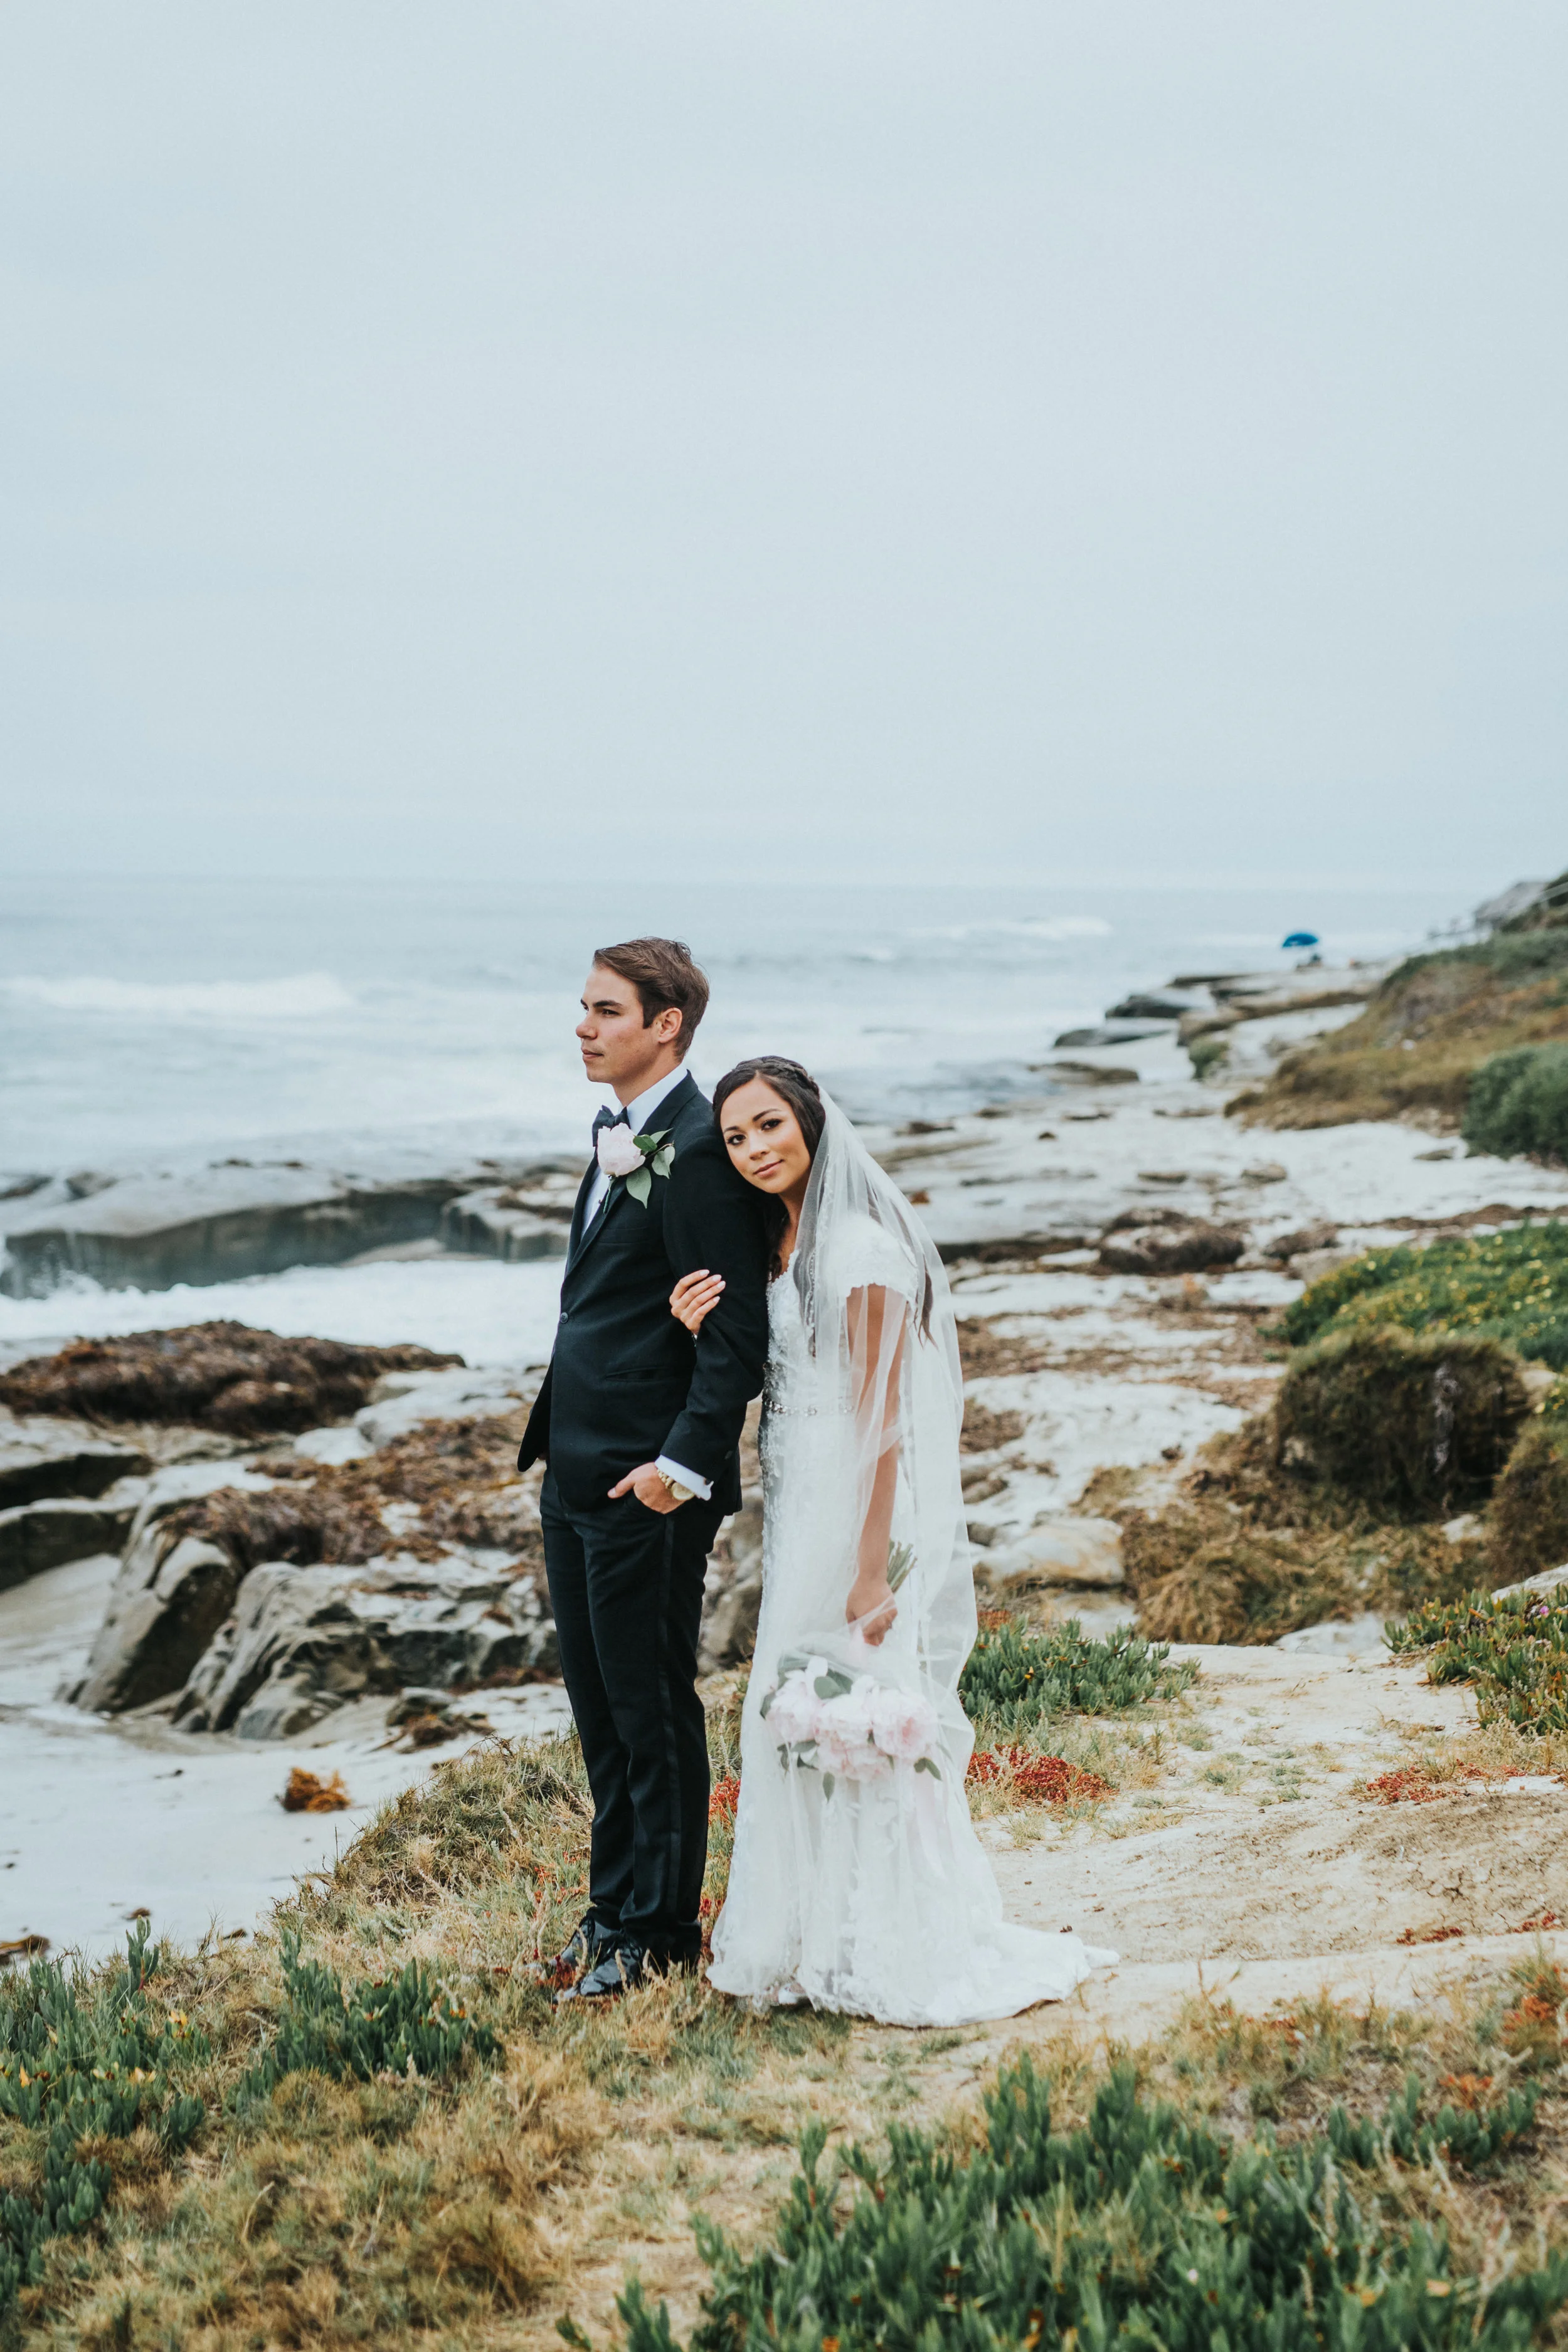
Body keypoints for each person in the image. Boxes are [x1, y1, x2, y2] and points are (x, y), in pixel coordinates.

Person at [670, 1057, 1116, 2025]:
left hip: (857, 1512)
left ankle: (887, 1942)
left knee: (864, 1717)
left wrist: (872, 1567)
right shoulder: (779, 1244)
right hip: (798, 1512)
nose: (752, 1149)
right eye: (735, 1136)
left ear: (811, 1122)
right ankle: (810, 1938)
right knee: (795, 1715)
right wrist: (692, 1320)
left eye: (768, 1125)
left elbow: (885, 1426)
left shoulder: (864, 1250)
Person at [519, 940, 769, 2001]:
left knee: (651, 1710)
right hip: (573, 1473)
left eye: (606, 1009)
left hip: (644, 1486)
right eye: (583, 1007)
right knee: (598, 1710)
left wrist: (679, 1468)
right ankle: (612, 1911)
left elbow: (737, 1338)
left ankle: (659, 1935)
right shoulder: (624, 1132)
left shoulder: (701, 1145)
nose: (583, 1026)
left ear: (667, 1023)